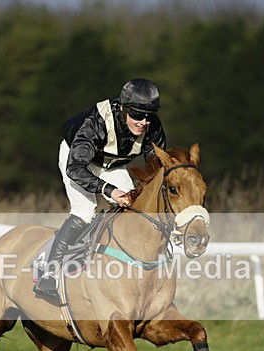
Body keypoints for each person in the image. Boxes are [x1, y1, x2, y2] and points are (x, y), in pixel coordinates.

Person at [33, 78, 167, 303]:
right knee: (86, 210)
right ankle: (49, 272)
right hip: (77, 159)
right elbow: (76, 168)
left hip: (112, 163)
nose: (143, 122)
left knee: (133, 210)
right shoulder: (97, 121)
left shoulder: (151, 125)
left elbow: (158, 169)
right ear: (123, 107)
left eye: (148, 116)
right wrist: (110, 190)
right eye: (137, 114)